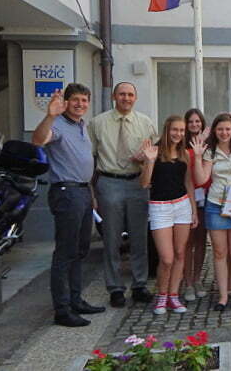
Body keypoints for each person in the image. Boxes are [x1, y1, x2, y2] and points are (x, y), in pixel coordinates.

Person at [32, 84, 105, 327]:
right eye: (75, 100)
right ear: (66, 102)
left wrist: (91, 194)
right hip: (66, 192)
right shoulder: (57, 124)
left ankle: (76, 300)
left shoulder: (82, 125)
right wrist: (49, 116)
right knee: (65, 252)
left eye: (84, 100)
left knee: (80, 250)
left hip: (83, 192)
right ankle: (62, 310)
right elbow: (38, 140)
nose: (80, 104)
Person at [88, 82, 157, 308]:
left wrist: (145, 158)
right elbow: (89, 158)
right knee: (111, 238)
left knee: (139, 237)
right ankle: (115, 288)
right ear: (114, 97)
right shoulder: (97, 123)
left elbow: (154, 154)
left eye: (130, 94)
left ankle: (139, 285)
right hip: (109, 182)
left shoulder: (146, 123)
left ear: (135, 98)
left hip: (138, 183)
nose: (126, 98)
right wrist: (91, 191)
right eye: (122, 94)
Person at [139, 116, 198, 315]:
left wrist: (193, 209)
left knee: (180, 253)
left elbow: (188, 183)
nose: (178, 134)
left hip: (182, 205)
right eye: (175, 130)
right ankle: (161, 295)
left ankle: (173, 295)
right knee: (167, 258)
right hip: (160, 208)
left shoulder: (184, 153)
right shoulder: (154, 151)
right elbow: (144, 183)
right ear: (167, 130)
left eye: (181, 130)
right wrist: (149, 161)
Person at [196, 114, 231, 311]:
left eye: (228, 129)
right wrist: (197, 157)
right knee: (220, 252)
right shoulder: (210, 152)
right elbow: (201, 178)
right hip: (215, 205)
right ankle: (222, 296)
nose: (224, 132)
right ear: (215, 130)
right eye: (220, 129)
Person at [182, 108, 209, 301]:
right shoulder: (181, 144)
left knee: (201, 241)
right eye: (191, 121)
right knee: (187, 242)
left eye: (197, 121)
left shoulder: (207, 144)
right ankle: (188, 282)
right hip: (186, 196)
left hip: (206, 196)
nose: (194, 124)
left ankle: (198, 278)